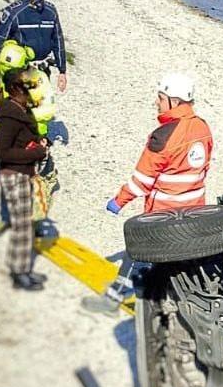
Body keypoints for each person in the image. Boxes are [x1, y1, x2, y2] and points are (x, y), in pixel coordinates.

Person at [82, 73, 214, 314]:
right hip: (194, 209)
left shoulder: (163, 136)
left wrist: (118, 201)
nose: (156, 102)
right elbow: (203, 167)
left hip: (163, 212)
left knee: (137, 253)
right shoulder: (203, 127)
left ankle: (113, 299)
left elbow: (142, 180)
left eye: (161, 97)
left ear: (174, 101)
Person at [0, 40, 56, 236]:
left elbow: (49, 110)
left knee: (34, 182)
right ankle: (10, 218)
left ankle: (33, 224)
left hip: (32, 139)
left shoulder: (39, 79)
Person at [0, 69, 50, 291]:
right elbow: (2, 152)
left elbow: (24, 139)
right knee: (22, 226)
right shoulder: (10, 116)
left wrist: (40, 141)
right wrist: (36, 153)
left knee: (25, 224)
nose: (32, 90)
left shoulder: (18, 110)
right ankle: (18, 273)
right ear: (16, 89)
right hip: (14, 175)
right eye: (27, 86)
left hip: (21, 173)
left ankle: (23, 269)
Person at [0, 0, 67, 93]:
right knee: (33, 109)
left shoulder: (13, 11)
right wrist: (62, 71)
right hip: (20, 70)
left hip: (33, 71)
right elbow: (58, 42)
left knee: (24, 109)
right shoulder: (50, 11)